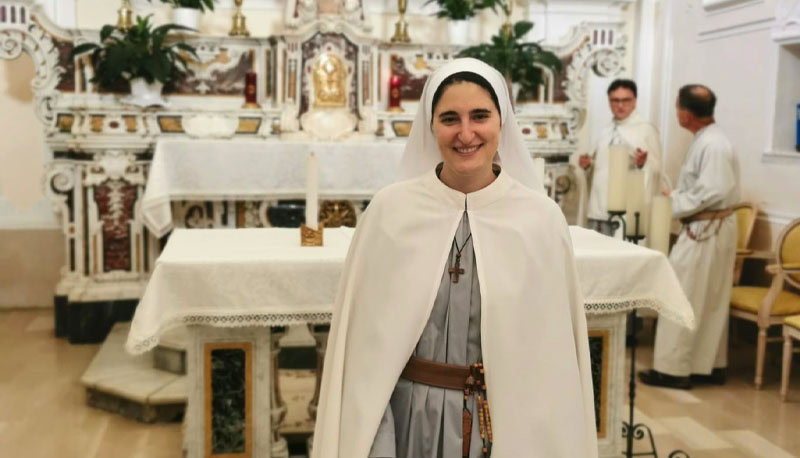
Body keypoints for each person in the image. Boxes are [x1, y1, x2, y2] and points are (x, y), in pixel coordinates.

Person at [311, 58, 598, 458]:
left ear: (503, 122)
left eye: (480, 116)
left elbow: (553, 361)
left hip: (505, 425)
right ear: (430, 126)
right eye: (450, 118)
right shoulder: (390, 212)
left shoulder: (541, 221)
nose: (466, 133)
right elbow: (363, 359)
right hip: (406, 424)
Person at [639, 84, 740, 389]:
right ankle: (704, 366)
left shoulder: (714, 145)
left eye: (676, 108)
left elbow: (715, 189)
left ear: (684, 112)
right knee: (703, 298)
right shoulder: (709, 139)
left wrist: (673, 202)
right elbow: (707, 187)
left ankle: (674, 370)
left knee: (684, 295)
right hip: (709, 226)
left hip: (707, 229)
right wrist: (680, 195)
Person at [579, 79, 662, 236]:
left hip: (625, 213)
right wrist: (588, 166)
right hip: (597, 210)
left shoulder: (645, 130)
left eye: (626, 100)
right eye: (615, 100)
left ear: (635, 101)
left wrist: (642, 164)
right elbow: (600, 170)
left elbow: (656, 170)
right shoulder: (605, 131)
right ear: (609, 102)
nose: (620, 105)